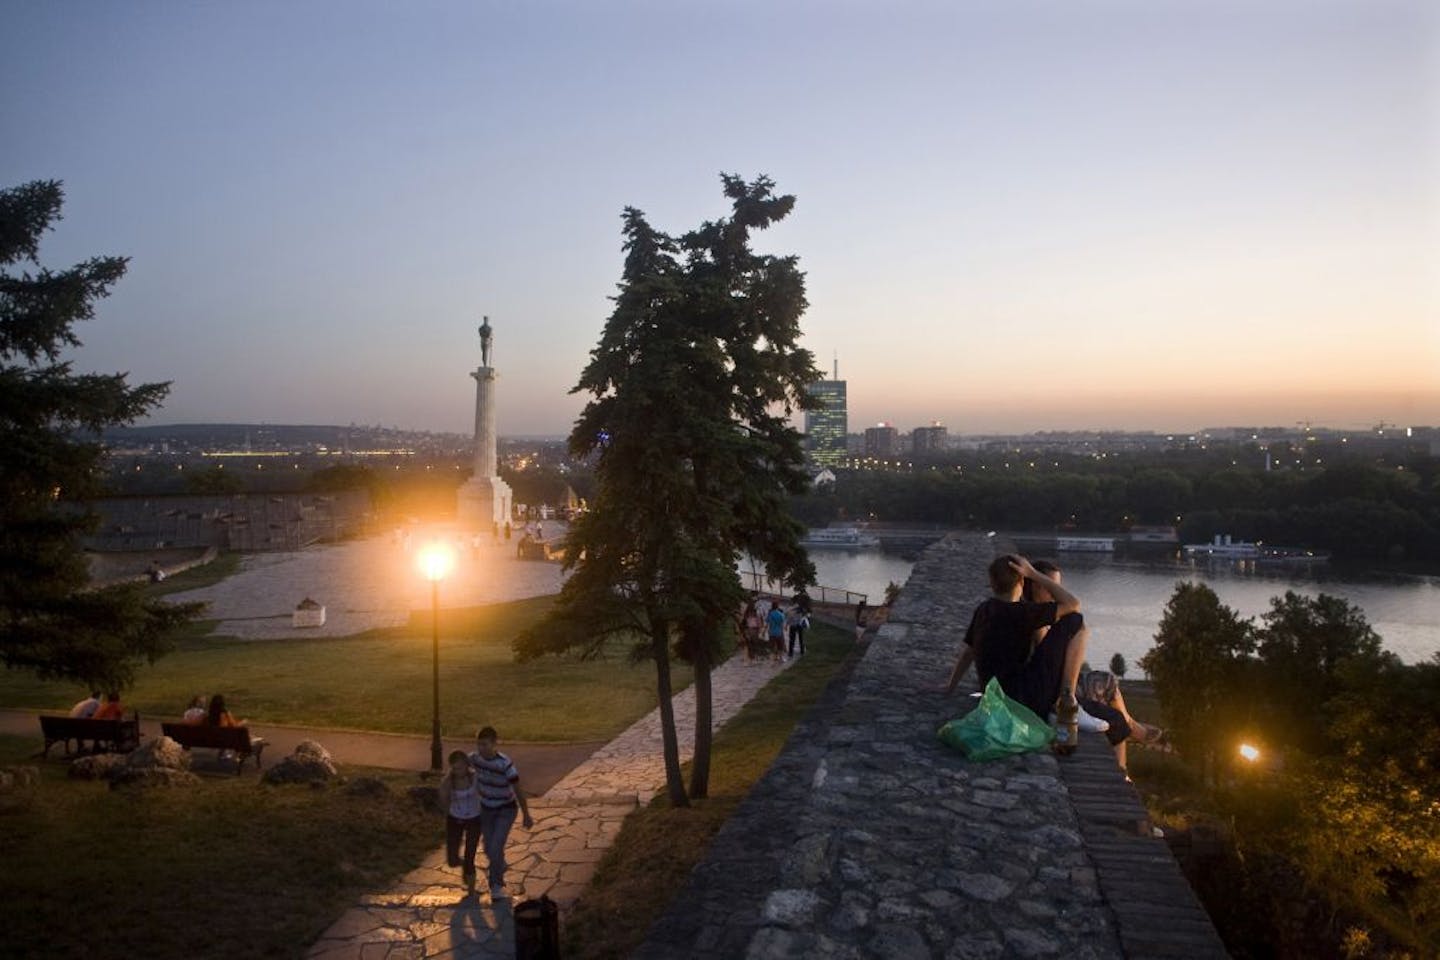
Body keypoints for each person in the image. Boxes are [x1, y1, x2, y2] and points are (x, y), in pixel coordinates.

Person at [943, 554, 1087, 754]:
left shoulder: (984, 610)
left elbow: (969, 652)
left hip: (994, 697)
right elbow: (1073, 604)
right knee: (1077, 623)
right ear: (1022, 580)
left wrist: (950, 686)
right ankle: (1067, 701)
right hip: (1020, 699)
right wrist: (1034, 573)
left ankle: (1066, 700)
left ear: (992, 583)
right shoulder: (1023, 612)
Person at [468, 727, 534, 900]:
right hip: (486, 809)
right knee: (489, 848)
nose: (481, 748)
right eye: (478, 744)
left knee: (496, 846)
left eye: (484, 744)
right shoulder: (475, 759)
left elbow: (518, 789)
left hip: (506, 809)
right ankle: (500, 863)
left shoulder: (505, 764)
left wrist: (526, 814)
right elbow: (459, 763)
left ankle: (496, 884)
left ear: (494, 743)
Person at [438, 750, 483, 884]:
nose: (458, 771)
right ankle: (463, 865)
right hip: (455, 819)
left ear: (466, 765)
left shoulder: (475, 777)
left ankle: (471, 888)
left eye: (461, 767)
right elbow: (443, 798)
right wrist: (449, 813)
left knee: (470, 856)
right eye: (455, 768)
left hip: (474, 819)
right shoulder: (448, 781)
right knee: (452, 861)